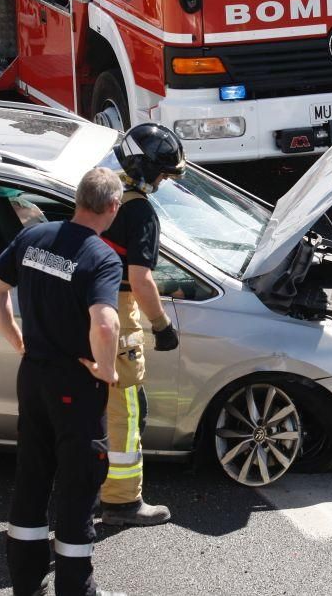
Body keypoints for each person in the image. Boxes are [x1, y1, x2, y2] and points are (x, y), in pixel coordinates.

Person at [0, 167, 125, 596]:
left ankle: (26, 585)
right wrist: (107, 370)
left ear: (77, 199)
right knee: (79, 486)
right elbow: (105, 323)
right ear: (112, 207)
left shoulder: (34, 238)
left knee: (33, 477)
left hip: (34, 376)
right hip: (74, 386)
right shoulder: (102, 257)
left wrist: (17, 340)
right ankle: (75, 590)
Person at [96, 123, 183, 527]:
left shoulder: (99, 190)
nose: (164, 182)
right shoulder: (139, 210)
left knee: (90, 410)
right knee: (126, 412)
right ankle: (122, 501)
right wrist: (162, 325)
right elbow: (142, 279)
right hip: (117, 312)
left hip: (82, 308)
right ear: (148, 169)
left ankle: (88, 485)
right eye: (164, 174)